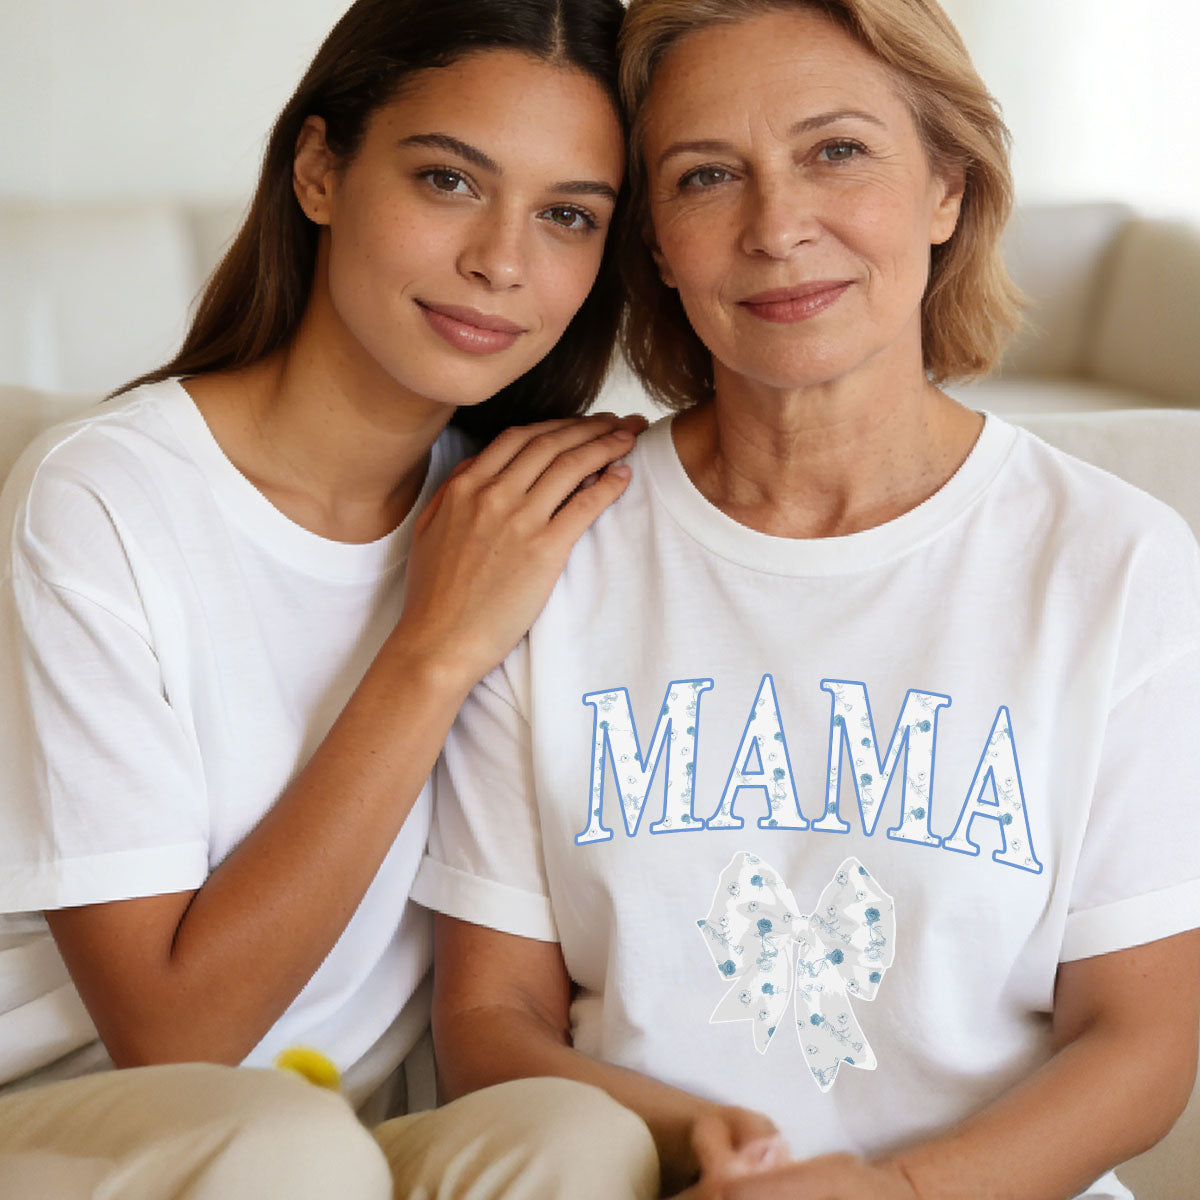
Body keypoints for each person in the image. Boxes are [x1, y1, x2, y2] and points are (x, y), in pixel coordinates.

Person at [413, 1, 1200, 1197]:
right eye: (706, 175)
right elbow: (491, 1024)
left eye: (836, 152)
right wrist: (701, 1146)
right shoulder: (550, 541)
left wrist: (893, 1194)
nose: (777, 227)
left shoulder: (1118, 560)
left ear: (948, 186)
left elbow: (1143, 1042)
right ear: (657, 245)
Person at [0, 0, 659, 1196]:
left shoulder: (523, 510)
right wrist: (432, 650)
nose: (502, 262)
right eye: (451, 181)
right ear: (318, 169)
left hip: (357, 1143)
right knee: (282, 1147)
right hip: (78, 1125)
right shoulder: (104, 495)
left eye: (568, 216)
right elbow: (172, 1035)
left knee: (577, 1136)